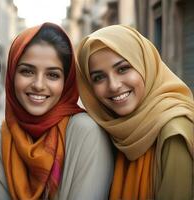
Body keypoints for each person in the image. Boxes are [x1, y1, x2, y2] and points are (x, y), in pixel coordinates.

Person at [0, 22, 114, 200]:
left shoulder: (86, 133)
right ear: (12, 75)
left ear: (66, 82)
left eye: (52, 75)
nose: (38, 85)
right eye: (27, 71)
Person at [76, 24, 194, 200]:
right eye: (99, 77)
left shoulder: (175, 131)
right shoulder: (115, 131)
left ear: (145, 64)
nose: (114, 85)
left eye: (123, 69)